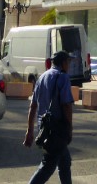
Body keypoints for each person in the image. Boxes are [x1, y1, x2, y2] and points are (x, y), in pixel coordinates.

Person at [23, 50, 74, 184]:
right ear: (63, 63)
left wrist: (30, 131)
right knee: (48, 166)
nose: (69, 65)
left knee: (65, 162)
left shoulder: (42, 77)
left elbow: (33, 106)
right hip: (57, 130)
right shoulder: (63, 78)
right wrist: (70, 128)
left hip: (44, 129)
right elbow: (66, 106)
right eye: (68, 62)